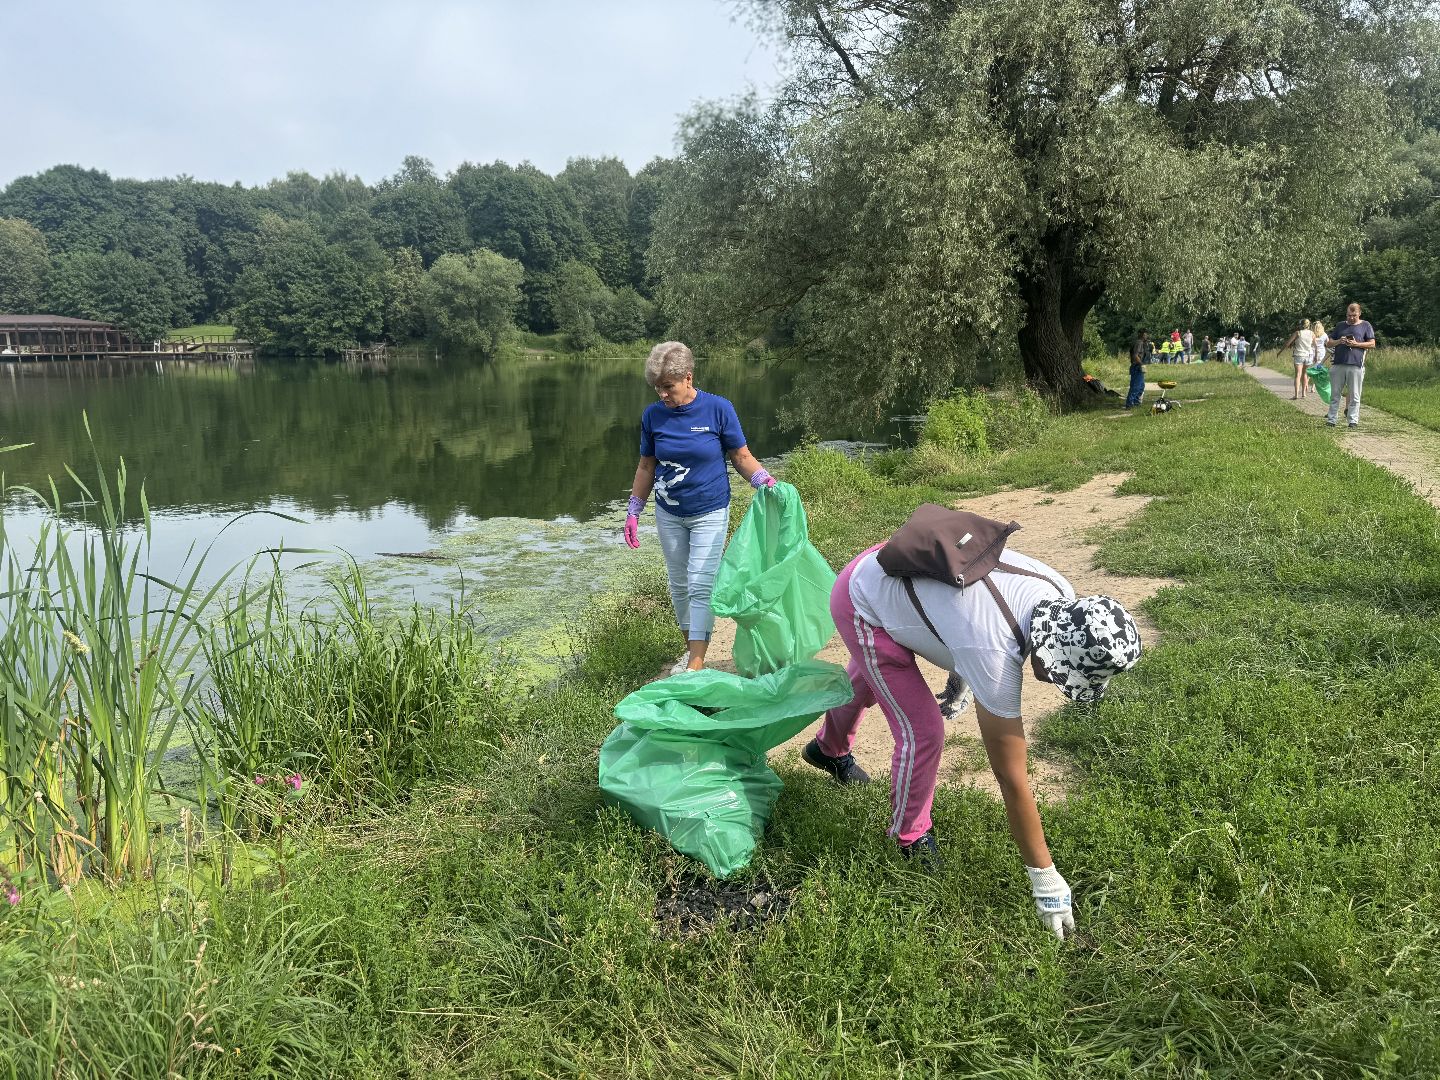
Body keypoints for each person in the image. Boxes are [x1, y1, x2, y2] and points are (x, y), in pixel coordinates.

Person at [800, 536, 1142, 939]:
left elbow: (970, 609)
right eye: (1060, 672)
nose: (1053, 679)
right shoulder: (994, 657)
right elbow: (1012, 778)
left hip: (893, 567)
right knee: (923, 730)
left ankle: (826, 750)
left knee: (874, 675)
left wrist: (962, 665)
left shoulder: (1059, 593)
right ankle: (909, 836)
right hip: (863, 597)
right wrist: (1045, 878)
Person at [624, 341, 776, 674]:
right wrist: (635, 508)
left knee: (700, 582)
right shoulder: (653, 416)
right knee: (679, 584)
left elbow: (741, 456)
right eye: (657, 388)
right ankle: (690, 650)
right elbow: (646, 465)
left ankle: (695, 663)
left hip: (709, 510)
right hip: (668, 512)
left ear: (688, 378)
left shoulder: (718, 409)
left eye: (668, 387)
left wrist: (764, 480)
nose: (662, 394)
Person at [1325, 303, 1376, 428]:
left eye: (1354, 315)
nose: (1351, 318)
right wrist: (1339, 341)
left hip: (1356, 365)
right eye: (1349, 315)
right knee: (1335, 394)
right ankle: (1331, 419)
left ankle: (1353, 420)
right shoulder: (1340, 325)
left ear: (1359, 314)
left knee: (1354, 394)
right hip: (1338, 364)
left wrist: (1356, 344)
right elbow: (1329, 343)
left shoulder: (1366, 325)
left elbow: (1372, 343)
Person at [1276, 319, 1315, 398]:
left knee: (1298, 375)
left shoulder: (1298, 333)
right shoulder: (1312, 333)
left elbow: (1287, 344)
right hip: (1308, 356)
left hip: (1299, 355)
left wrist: (1280, 352)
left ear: (1301, 324)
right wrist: (1316, 356)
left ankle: (1296, 395)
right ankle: (1304, 394)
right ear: (1309, 325)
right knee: (1305, 374)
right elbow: (1315, 345)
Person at [1125, 330, 1149, 408]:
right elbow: (1135, 356)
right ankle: (1129, 404)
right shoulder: (1139, 343)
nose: (1146, 336)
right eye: (1145, 335)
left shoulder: (1141, 343)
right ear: (1141, 335)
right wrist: (1141, 365)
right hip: (1137, 367)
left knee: (1141, 386)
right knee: (1136, 387)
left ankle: (1136, 403)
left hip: (1138, 367)